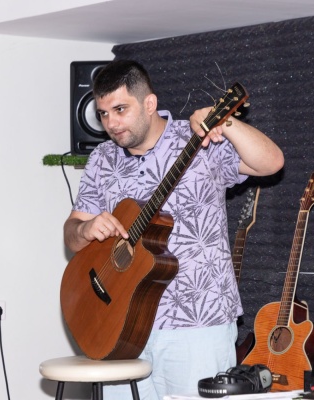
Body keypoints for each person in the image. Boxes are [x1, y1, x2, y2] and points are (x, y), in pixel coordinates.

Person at [63, 59, 284, 399]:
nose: (111, 123)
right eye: (103, 113)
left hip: (197, 323)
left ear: (149, 103)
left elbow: (271, 162)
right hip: (119, 326)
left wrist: (225, 123)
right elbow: (72, 235)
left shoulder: (199, 139)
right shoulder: (102, 158)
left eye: (120, 109)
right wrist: (86, 228)